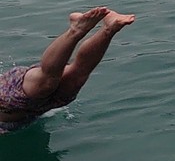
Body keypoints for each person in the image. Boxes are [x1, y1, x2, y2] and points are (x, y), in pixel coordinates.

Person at [1, 7, 135, 134]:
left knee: (46, 83)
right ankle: (109, 28)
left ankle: (76, 29)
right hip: (36, 109)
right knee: (77, 76)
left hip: (7, 97)